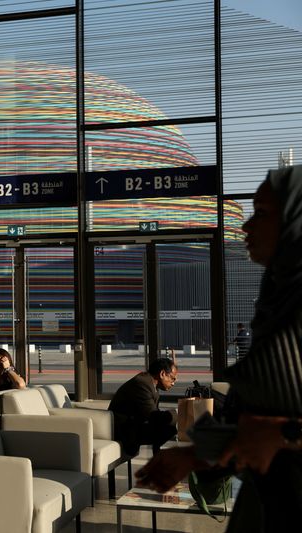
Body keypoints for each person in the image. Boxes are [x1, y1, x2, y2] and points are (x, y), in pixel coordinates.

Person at [136, 166, 302, 532]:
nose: (245, 227)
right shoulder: (278, 299)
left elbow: (272, 426)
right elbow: (256, 414)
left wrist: (285, 434)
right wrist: (194, 456)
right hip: (271, 499)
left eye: (261, 213)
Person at [107, 357, 178, 456]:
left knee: (169, 427)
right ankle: (157, 461)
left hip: (132, 425)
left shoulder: (151, 384)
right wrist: (179, 413)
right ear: (162, 374)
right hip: (123, 431)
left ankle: (157, 459)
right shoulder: (142, 384)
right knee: (169, 427)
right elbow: (154, 416)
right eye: (172, 378)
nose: (173, 383)